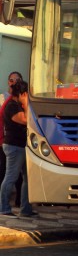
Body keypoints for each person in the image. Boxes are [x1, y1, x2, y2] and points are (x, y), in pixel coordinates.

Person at [0, 80, 37, 218]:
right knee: (11, 177)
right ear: (23, 93)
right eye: (27, 94)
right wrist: (26, 104)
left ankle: (26, 209)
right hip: (14, 147)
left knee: (28, 178)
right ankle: (3, 207)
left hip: (21, 146)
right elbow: (25, 120)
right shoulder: (11, 106)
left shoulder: (17, 104)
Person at [0, 72, 23, 208]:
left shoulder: (18, 100)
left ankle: (20, 202)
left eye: (16, 80)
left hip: (13, 141)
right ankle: (4, 205)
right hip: (8, 140)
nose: (13, 82)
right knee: (8, 173)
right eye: (11, 80)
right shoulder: (7, 100)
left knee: (16, 174)